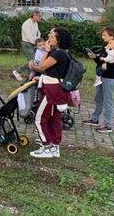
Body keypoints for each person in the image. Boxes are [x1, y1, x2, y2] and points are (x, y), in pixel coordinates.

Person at [28, 28, 72, 158]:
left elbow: (41, 67)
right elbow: (53, 72)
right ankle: (54, 146)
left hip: (53, 90)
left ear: (58, 40)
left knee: (39, 118)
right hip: (58, 89)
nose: (49, 38)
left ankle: (46, 146)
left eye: (52, 36)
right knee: (55, 118)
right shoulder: (64, 53)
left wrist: (45, 51)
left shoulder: (58, 54)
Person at [85, 28, 114, 133]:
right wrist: (94, 57)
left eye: (105, 35)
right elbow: (100, 61)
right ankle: (95, 119)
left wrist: (106, 64)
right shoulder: (106, 48)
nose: (103, 37)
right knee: (98, 98)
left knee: (108, 101)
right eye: (102, 35)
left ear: (111, 36)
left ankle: (108, 125)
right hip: (101, 76)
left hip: (110, 78)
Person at [13, 10, 42, 82]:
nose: (40, 17)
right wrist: (36, 44)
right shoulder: (26, 24)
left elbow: (38, 33)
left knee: (33, 61)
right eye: (39, 16)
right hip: (27, 44)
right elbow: (29, 37)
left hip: (34, 43)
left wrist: (38, 41)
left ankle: (26, 76)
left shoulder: (36, 24)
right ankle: (18, 72)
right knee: (32, 61)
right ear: (34, 15)